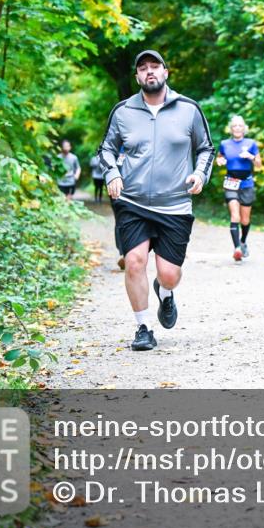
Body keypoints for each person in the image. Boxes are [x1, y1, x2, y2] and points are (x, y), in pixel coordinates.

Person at [98, 49, 214, 351]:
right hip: (132, 201)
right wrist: (112, 173)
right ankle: (144, 327)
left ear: (166, 72)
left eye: (155, 66)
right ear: (137, 76)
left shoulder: (189, 109)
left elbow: (206, 149)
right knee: (134, 262)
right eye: (143, 68)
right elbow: (107, 149)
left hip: (175, 204)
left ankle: (165, 291)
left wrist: (200, 175)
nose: (149, 72)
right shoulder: (123, 111)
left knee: (169, 274)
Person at [216, 115, 261, 262]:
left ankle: (243, 242)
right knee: (235, 216)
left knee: (245, 219)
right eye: (234, 126)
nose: (237, 128)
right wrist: (220, 161)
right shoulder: (225, 143)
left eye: (240, 125)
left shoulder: (251, 143)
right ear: (231, 128)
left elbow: (259, 164)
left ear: (244, 128)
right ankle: (236, 249)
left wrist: (250, 157)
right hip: (231, 182)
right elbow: (219, 157)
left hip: (247, 183)